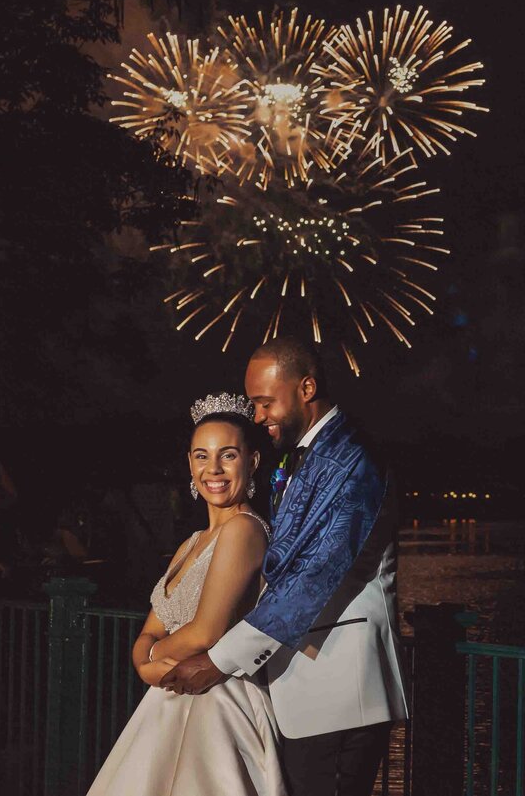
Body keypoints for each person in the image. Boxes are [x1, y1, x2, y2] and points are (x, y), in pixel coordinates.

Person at [163, 337, 408, 796]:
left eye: (264, 402)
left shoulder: (353, 462)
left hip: (339, 694)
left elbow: (310, 580)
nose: (257, 417)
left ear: (307, 388)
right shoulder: (307, 456)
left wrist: (218, 660)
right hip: (303, 691)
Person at [87, 394, 286, 796]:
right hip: (169, 697)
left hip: (215, 703)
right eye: (201, 456)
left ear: (252, 462)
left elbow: (205, 633)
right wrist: (147, 659)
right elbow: (150, 628)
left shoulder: (244, 529)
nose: (213, 468)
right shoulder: (190, 543)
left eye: (228, 455)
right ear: (189, 463)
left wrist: (149, 661)